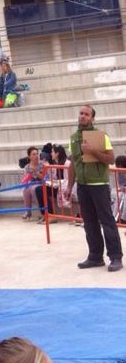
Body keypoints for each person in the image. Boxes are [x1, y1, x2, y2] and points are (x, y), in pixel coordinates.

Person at [66, 104, 123, 271]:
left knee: (107, 221)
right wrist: (69, 185)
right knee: (89, 223)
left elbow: (110, 159)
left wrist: (92, 151)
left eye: (86, 114)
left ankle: (115, 257)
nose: (82, 116)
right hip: (82, 186)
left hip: (99, 185)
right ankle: (95, 256)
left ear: (92, 118)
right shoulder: (73, 138)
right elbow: (73, 163)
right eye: (81, 113)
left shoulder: (101, 136)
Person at [21, 146, 46, 220]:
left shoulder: (42, 164)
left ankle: (42, 212)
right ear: (29, 156)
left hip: (41, 183)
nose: (36, 156)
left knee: (33, 189)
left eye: (37, 154)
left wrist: (35, 172)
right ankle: (28, 212)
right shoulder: (27, 167)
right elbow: (25, 179)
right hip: (32, 183)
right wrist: (28, 177)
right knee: (26, 190)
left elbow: (43, 177)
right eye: (34, 154)